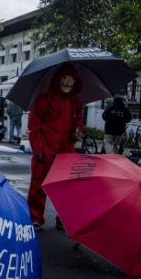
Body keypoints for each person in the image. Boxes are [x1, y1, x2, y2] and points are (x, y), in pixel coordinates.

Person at [27, 64, 84, 230]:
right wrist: (38, 149)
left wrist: (78, 130)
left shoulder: (76, 103)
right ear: (57, 80)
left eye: (71, 79)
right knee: (38, 184)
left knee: (66, 187)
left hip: (66, 151)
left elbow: (79, 122)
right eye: (64, 78)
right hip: (45, 150)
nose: (67, 82)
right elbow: (34, 126)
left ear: (76, 82)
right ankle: (36, 217)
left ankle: (63, 218)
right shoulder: (43, 100)